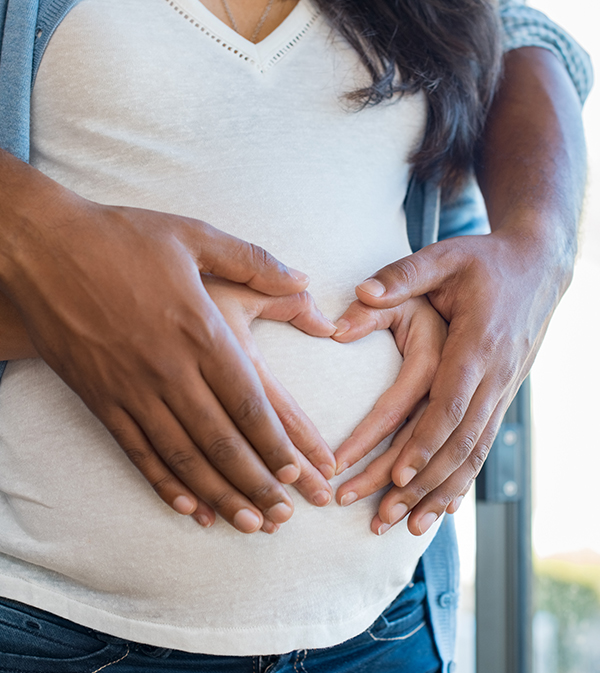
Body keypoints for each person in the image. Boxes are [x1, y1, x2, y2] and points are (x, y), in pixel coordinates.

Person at [0, 1, 592, 672]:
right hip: (57, 628)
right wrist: (38, 236)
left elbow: (520, 38)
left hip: (386, 624)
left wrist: (541, 248)